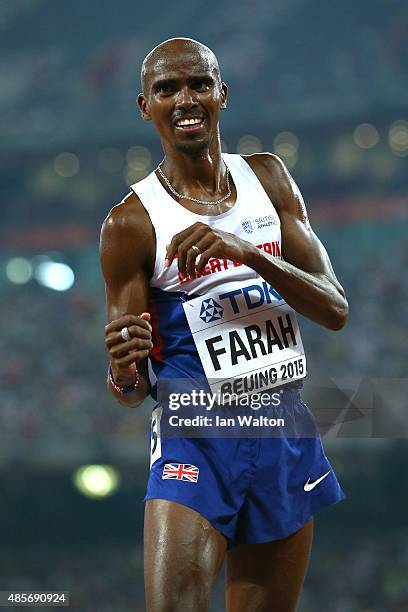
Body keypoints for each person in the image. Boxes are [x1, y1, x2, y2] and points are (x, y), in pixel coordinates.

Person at [100, 37, 348, 612]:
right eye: (166, 88)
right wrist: (121, 370)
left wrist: (252, 254)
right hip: (196, 433)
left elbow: (334, 309)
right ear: (146, 106)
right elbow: (131, 390)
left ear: (221, 95)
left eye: (198, 84)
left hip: (281, 425)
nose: (184, 98)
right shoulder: (132, 222)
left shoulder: (270, 180)